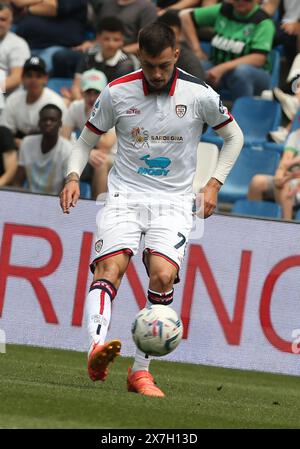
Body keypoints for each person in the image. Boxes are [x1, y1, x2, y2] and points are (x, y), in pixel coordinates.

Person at [60, 21, 244, 397]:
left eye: (163, 65)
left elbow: (233, 136)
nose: (157, 74)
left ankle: (140, 372)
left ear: (176, 55)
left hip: (173, 203)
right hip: (124, 197)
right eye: (148, 66)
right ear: (138, 58)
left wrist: (214, 183)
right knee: (110, 268)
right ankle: (96, 348)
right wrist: (73, 175)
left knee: (162, 276)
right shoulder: (117, 92)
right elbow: (83, 142)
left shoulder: (200, 94)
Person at [180, 0, 275, 100]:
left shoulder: (264, 22)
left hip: (254, 74)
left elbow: (258, 59)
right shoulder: (223, 9)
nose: (240, 2)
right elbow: (185, 17)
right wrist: (197, 50)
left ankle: (241, 111)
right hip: (217, 65)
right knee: (194, 64)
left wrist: (222, 68)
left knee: (241, 72)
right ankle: (197, 108)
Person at [61, 69, 117, 197]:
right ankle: (63, 199)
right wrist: (88, 152)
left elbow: (106, 145)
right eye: (88, 92)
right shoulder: (76, 106)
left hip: (113, 157)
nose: (92, 98)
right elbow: (63, 138)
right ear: (82, 93)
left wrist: (93, 114)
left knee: (100, 162)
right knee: (64, 154)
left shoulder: (112, 108)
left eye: (96, 93)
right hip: (89, 154)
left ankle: (97, 207)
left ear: (103, 93)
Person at [69, 16, 139, 101]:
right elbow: (76, 86)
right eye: (106, 39)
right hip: (86, 102)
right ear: (98, 38)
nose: (111, 44)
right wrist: (80, 102)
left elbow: (117, 96)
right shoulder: (88, 56)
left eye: (116, 40)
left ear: (122, 40)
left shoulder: (126, 64)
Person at [2, 56, 66, 148]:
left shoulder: (55, 102)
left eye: (38, 76)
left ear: (45, 79)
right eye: (29, 75)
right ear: (22, 78)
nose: (33, 80)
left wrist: (27, 145)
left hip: (49, 147)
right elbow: (5, 133)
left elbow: (60, 137)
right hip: (17, 144)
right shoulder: (13, 100)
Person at [14, 104, 72, 194]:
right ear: (38, 123)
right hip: (29, 200)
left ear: (60, 124)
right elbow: (18, 180)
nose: (48, 123)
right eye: (44, 120)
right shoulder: (27, 143)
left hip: (55, 202)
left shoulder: (68, 149)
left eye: (53, 120)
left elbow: (67, 187)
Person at [248, 128, 300, 220]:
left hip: (295, 181)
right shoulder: (295, 135)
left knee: (285, 186)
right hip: (292, 177)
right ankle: (254, 223)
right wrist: (279, 175)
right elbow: (286, 159)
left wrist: (288, 178)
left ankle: (286, 228)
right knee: (256, 182)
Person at [157, 10, 205, 79]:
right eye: (164, 35)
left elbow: (199, 87)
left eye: (172, 35)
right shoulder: (151, 55)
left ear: (180, 34)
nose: (167, 40)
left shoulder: (190, 62)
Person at [0, 2, 30, 95]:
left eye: (2, 19)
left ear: (11, 22)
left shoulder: (18, 44)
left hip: (7, 100)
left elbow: (17, 78)